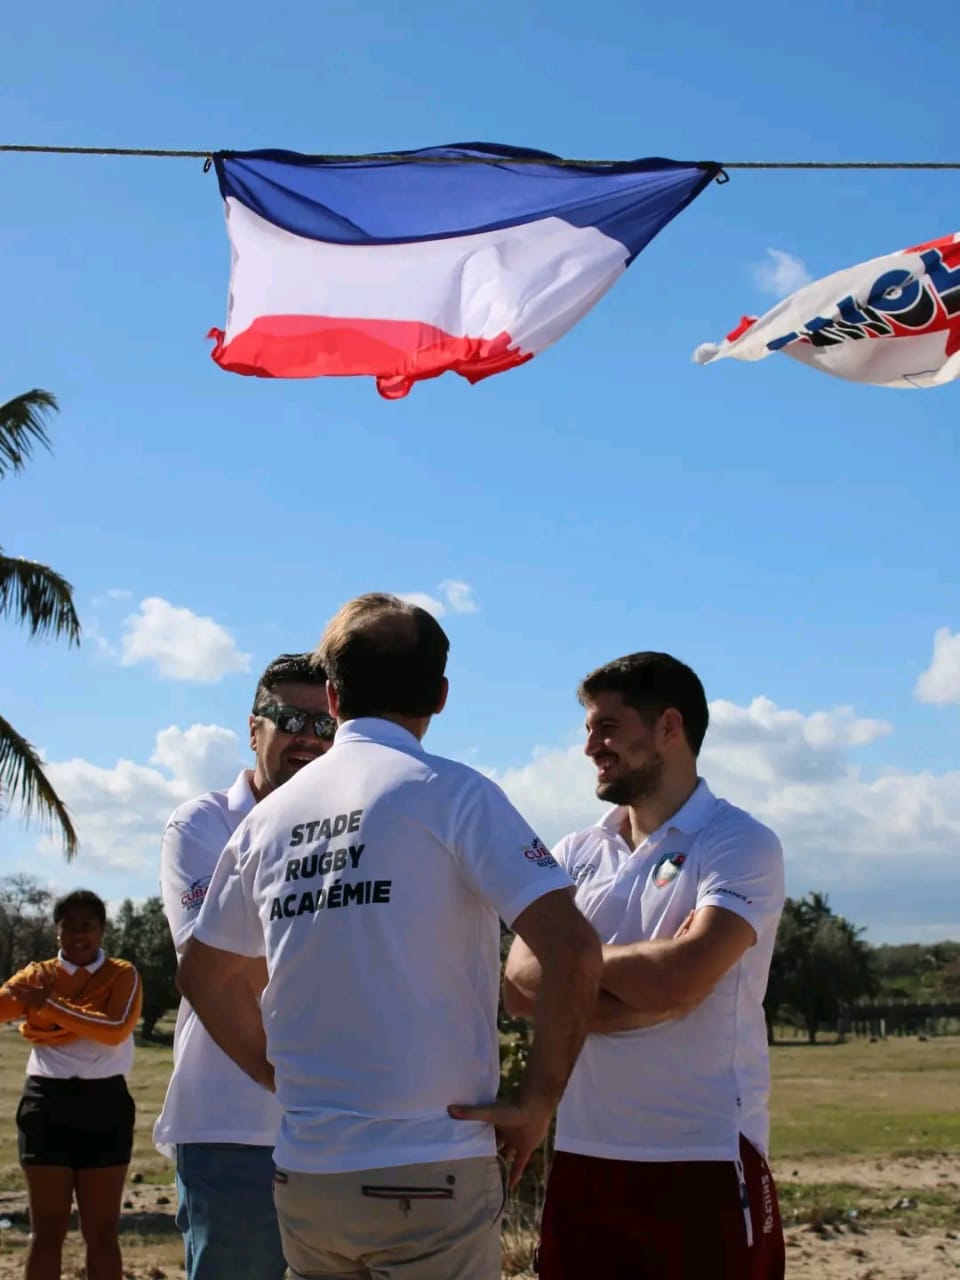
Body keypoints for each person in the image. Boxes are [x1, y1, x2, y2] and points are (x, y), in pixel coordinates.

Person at [177, 592, 602, 1280]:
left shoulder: (266, 821)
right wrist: (537, 1104)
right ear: (440, 696)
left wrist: (275, 1075)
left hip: (307, 1172)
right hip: (430, 1167)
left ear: (333, 697)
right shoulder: (454, 794)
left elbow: (202, 976)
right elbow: (574, 950)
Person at [504, 651, 787, 1280]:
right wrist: (649, 1001)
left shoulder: (738, 841)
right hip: (582, 1155)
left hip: (704, 1157)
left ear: (668, 727)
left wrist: (572, 972)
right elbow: (519, 986)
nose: (589, 747)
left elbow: (677, 977)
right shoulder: (574, 852)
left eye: (606, 727)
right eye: (587, 729)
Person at [154, 652, 335, 1280]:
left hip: (337, 1131)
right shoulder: (202, 824)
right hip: (232, 1132)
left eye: (325, 724)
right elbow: (220, 968)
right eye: (290, 720)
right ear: (254, 728)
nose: (309, 738)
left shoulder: (352, 829)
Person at [0, 889, 142, 1280]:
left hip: (104, 1104)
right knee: (46, 1231)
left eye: (87, 925)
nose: (79, 935)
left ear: (102, 929)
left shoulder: (122, 974)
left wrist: (47, 1008)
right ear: (57, 931)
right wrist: (42, 1003)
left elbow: (115, 1029)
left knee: (102, 1232)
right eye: (69, 926)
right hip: (46, 1104)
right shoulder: (38, 976)